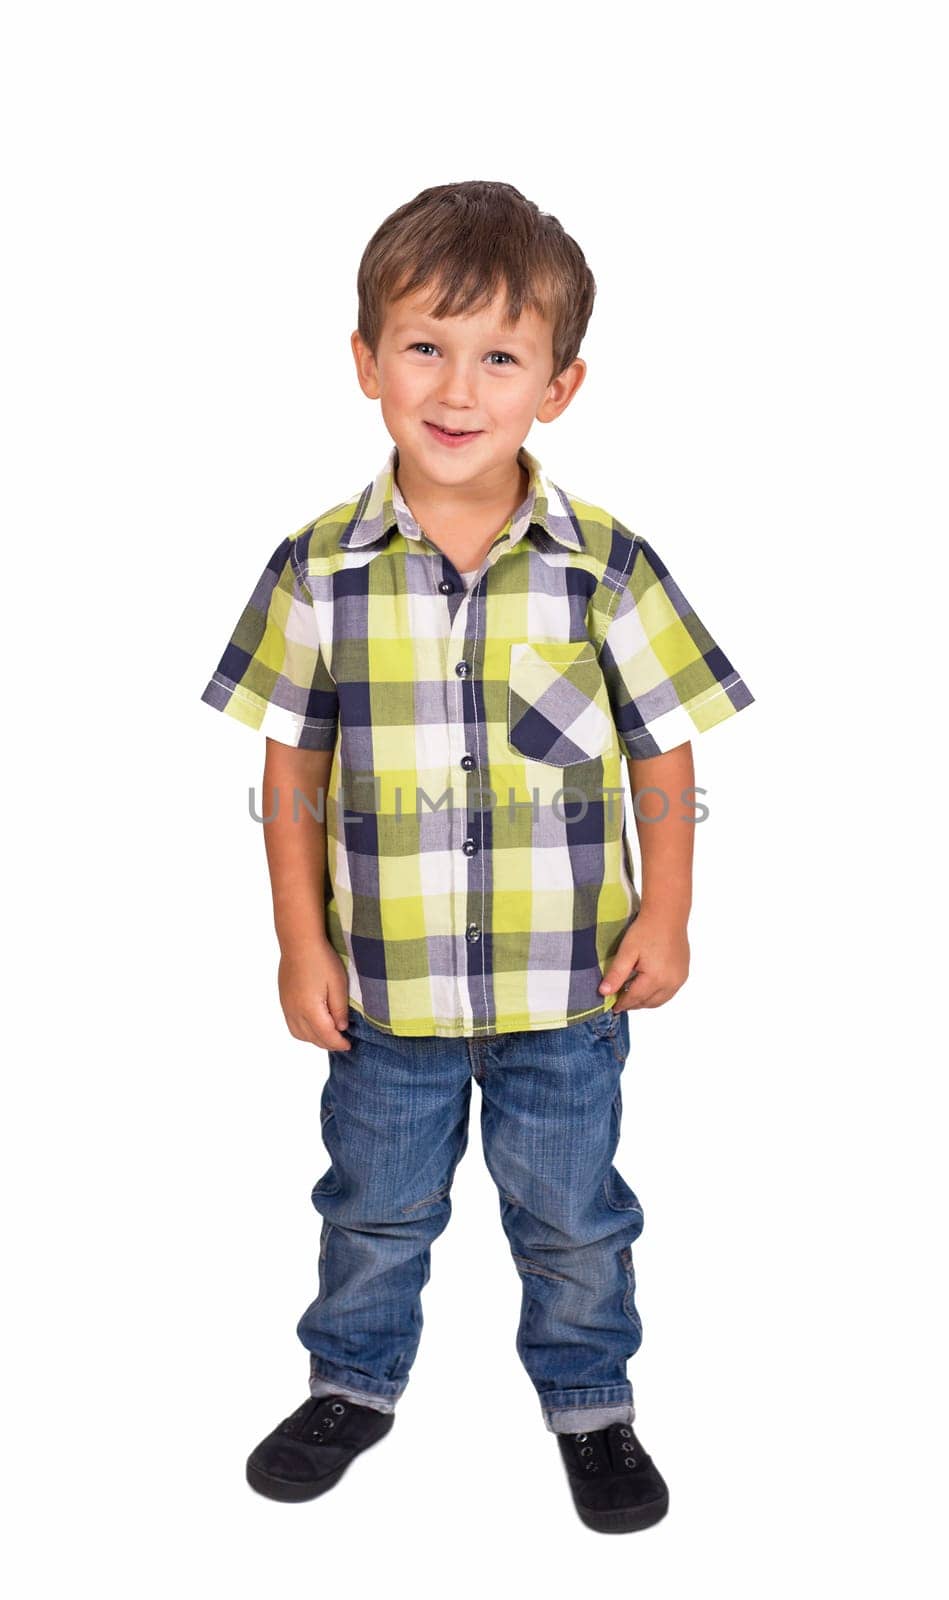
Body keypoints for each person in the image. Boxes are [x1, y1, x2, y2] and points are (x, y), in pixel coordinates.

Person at [199, 179, 754, 1534]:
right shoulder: (318, 569)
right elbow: (290, 769)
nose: (457, 388)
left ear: (557, 385)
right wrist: (299, 941)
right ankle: (351, 1385)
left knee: (573, 1217)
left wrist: (667, 916)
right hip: (381, 993)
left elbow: (663, 749)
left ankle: (591, 1407)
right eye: (424, 347)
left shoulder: (605, 569)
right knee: (371, 1207)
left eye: (499, 355)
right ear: (364, 362)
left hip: (566, 990)